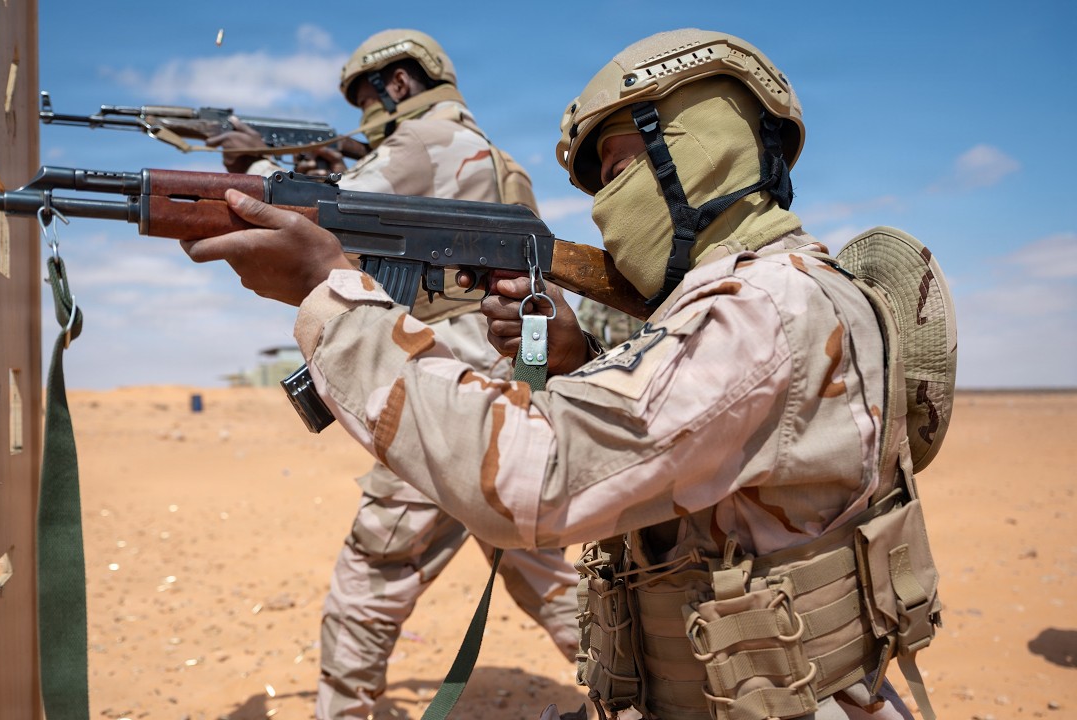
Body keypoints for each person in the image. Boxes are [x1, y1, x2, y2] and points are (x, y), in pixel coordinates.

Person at [183, 28, 951, 720]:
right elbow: (693, 452)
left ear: (700, 150)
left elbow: (537, 479)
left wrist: (332, 296)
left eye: (619, 168)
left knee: (375, 574)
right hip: (766, 688)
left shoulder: (757, 309)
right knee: (553, 584)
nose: (602, 210)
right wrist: (576, 359)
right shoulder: (788, 285)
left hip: (766, 695)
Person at [213, 29, 580, 720]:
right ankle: (643, 693)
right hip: (517, 397)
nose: (365, 119)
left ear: (400, 86)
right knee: (549, 576)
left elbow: (314, 223)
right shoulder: (500, 163)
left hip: (450, 400)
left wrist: (257, 172)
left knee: (372, 575)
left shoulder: (420, 144)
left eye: (367, 101)